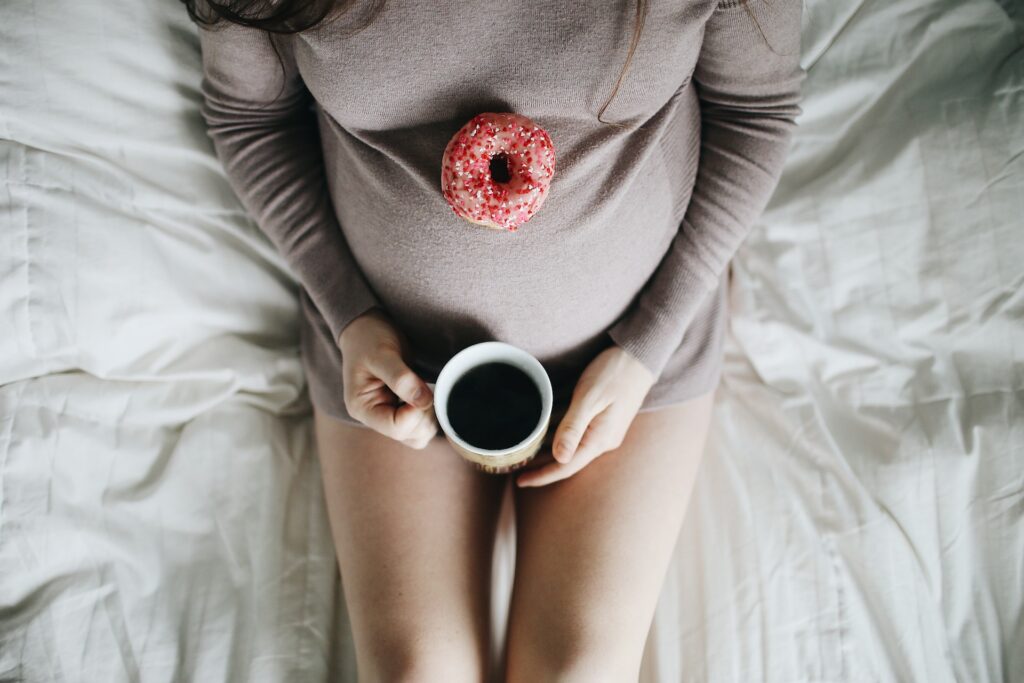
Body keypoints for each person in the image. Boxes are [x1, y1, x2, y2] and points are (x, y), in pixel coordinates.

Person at [189, 0, 802, 679]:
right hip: (393, 362)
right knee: (415, 671)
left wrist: (646, 348)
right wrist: (349, 315)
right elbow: (248, 117)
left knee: (578, 669)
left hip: (630, 352)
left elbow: (758, 110)